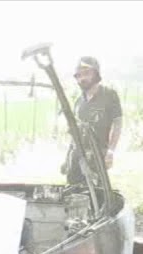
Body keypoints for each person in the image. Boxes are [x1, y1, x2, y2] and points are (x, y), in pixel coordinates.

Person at [62, 56, 122, 185]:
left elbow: (117, 123)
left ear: (96, 74)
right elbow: (74, 134)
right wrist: (67, 159)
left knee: (98, 197)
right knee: (73, 195)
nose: (82, 78)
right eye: (79, 75)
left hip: (97, 157)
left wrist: (111, 151)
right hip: (77, 158)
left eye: (87, 73)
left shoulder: (109, 95)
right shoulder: (79, 102)